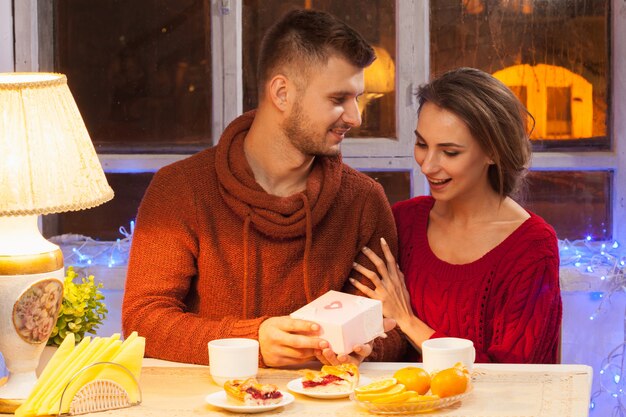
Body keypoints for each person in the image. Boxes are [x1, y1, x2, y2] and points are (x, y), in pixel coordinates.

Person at [122, 9, 407, 367]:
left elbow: (391, 329)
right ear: (282, 93)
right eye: (338, 99)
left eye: (357, 98)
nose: (356, 117)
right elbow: (142, 322)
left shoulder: (364, 200)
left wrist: (366, 347)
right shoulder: (179, 189)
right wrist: (253, 341)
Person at [350, 67, 562, 364]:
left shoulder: (532, 248)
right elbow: (378, 330)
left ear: (493, 152)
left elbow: (516, 378)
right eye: (422, 144)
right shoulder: (403, 221)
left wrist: (408, 320)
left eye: (449, 152)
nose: (428, 165)